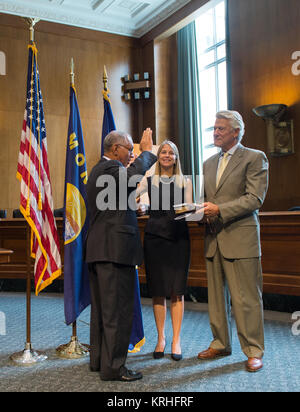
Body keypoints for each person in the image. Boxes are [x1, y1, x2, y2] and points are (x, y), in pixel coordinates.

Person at [197, 110, 269, 372]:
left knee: (247, 299)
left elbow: (254, 198)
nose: (215, 133)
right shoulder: (208, 163)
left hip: (241, 238)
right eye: (214, 129)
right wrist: (196, 212)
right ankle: (220, 343)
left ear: (236, 132)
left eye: (221, 129)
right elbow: (206, 199)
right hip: (213, 238)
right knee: (216, 299)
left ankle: (253, 350)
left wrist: (219, 210)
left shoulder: (254, 157)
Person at [85, 128, 156, 382]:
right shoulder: (109, 168)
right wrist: (147, 153)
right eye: (129, 149)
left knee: (104, 311)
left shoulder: (98, 170)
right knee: (117, 311)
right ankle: (114, 367)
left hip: (102, 249)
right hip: (114, 252)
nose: (132, 154)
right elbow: (131, 177)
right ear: (115, 149)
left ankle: (99, 361)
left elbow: (111, 206)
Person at [137, 140, 192, 361]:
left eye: (171, 153)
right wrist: (140, 206)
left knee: (176, 291)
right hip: (154, 239)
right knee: (158, 290)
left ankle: (176, 340)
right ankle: (161, 338)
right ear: (158, 156)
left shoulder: (185, 182)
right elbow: (134, 199)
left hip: (179, 239)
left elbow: (188, 209)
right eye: (163, 152)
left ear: (176, 157)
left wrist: (193, 210)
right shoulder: (148, 179)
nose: (167, 155)